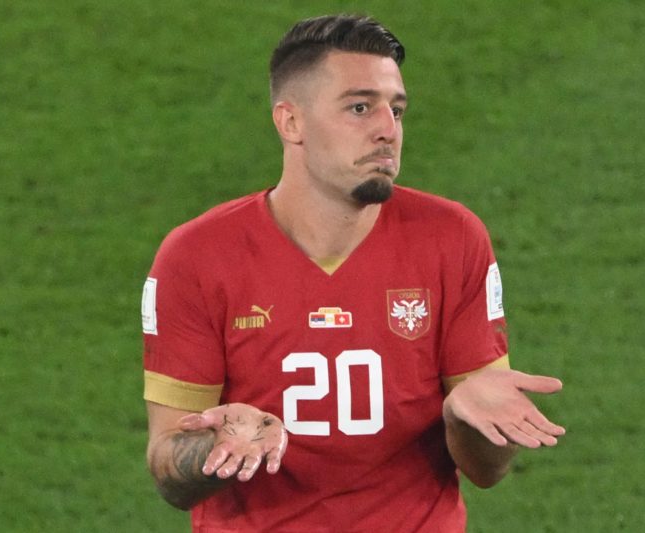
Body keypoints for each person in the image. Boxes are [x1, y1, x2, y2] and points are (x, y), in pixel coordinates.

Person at [142, 14, 565, 532]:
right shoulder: (197, 256)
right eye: (360, 107)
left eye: (397, 109)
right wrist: (215, 445)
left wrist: (466, 420)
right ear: (290, 122)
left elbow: (485, 470)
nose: (387, 129)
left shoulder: (452, 238)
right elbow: (168, 471)